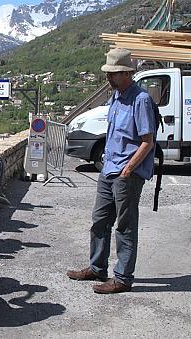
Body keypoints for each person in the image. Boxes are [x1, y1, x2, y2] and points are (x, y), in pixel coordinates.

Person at [66, 48, 157, 294]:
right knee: (99, 221)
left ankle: (123, 278)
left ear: (127, 73)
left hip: (126, 173)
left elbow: (147, 141)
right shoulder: (116, 97)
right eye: (108, 73)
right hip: (109, 169)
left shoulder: (141, 100)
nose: (109, 77)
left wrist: (128, 169)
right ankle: (97, 267)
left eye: (114, 74)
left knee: (125, 226)